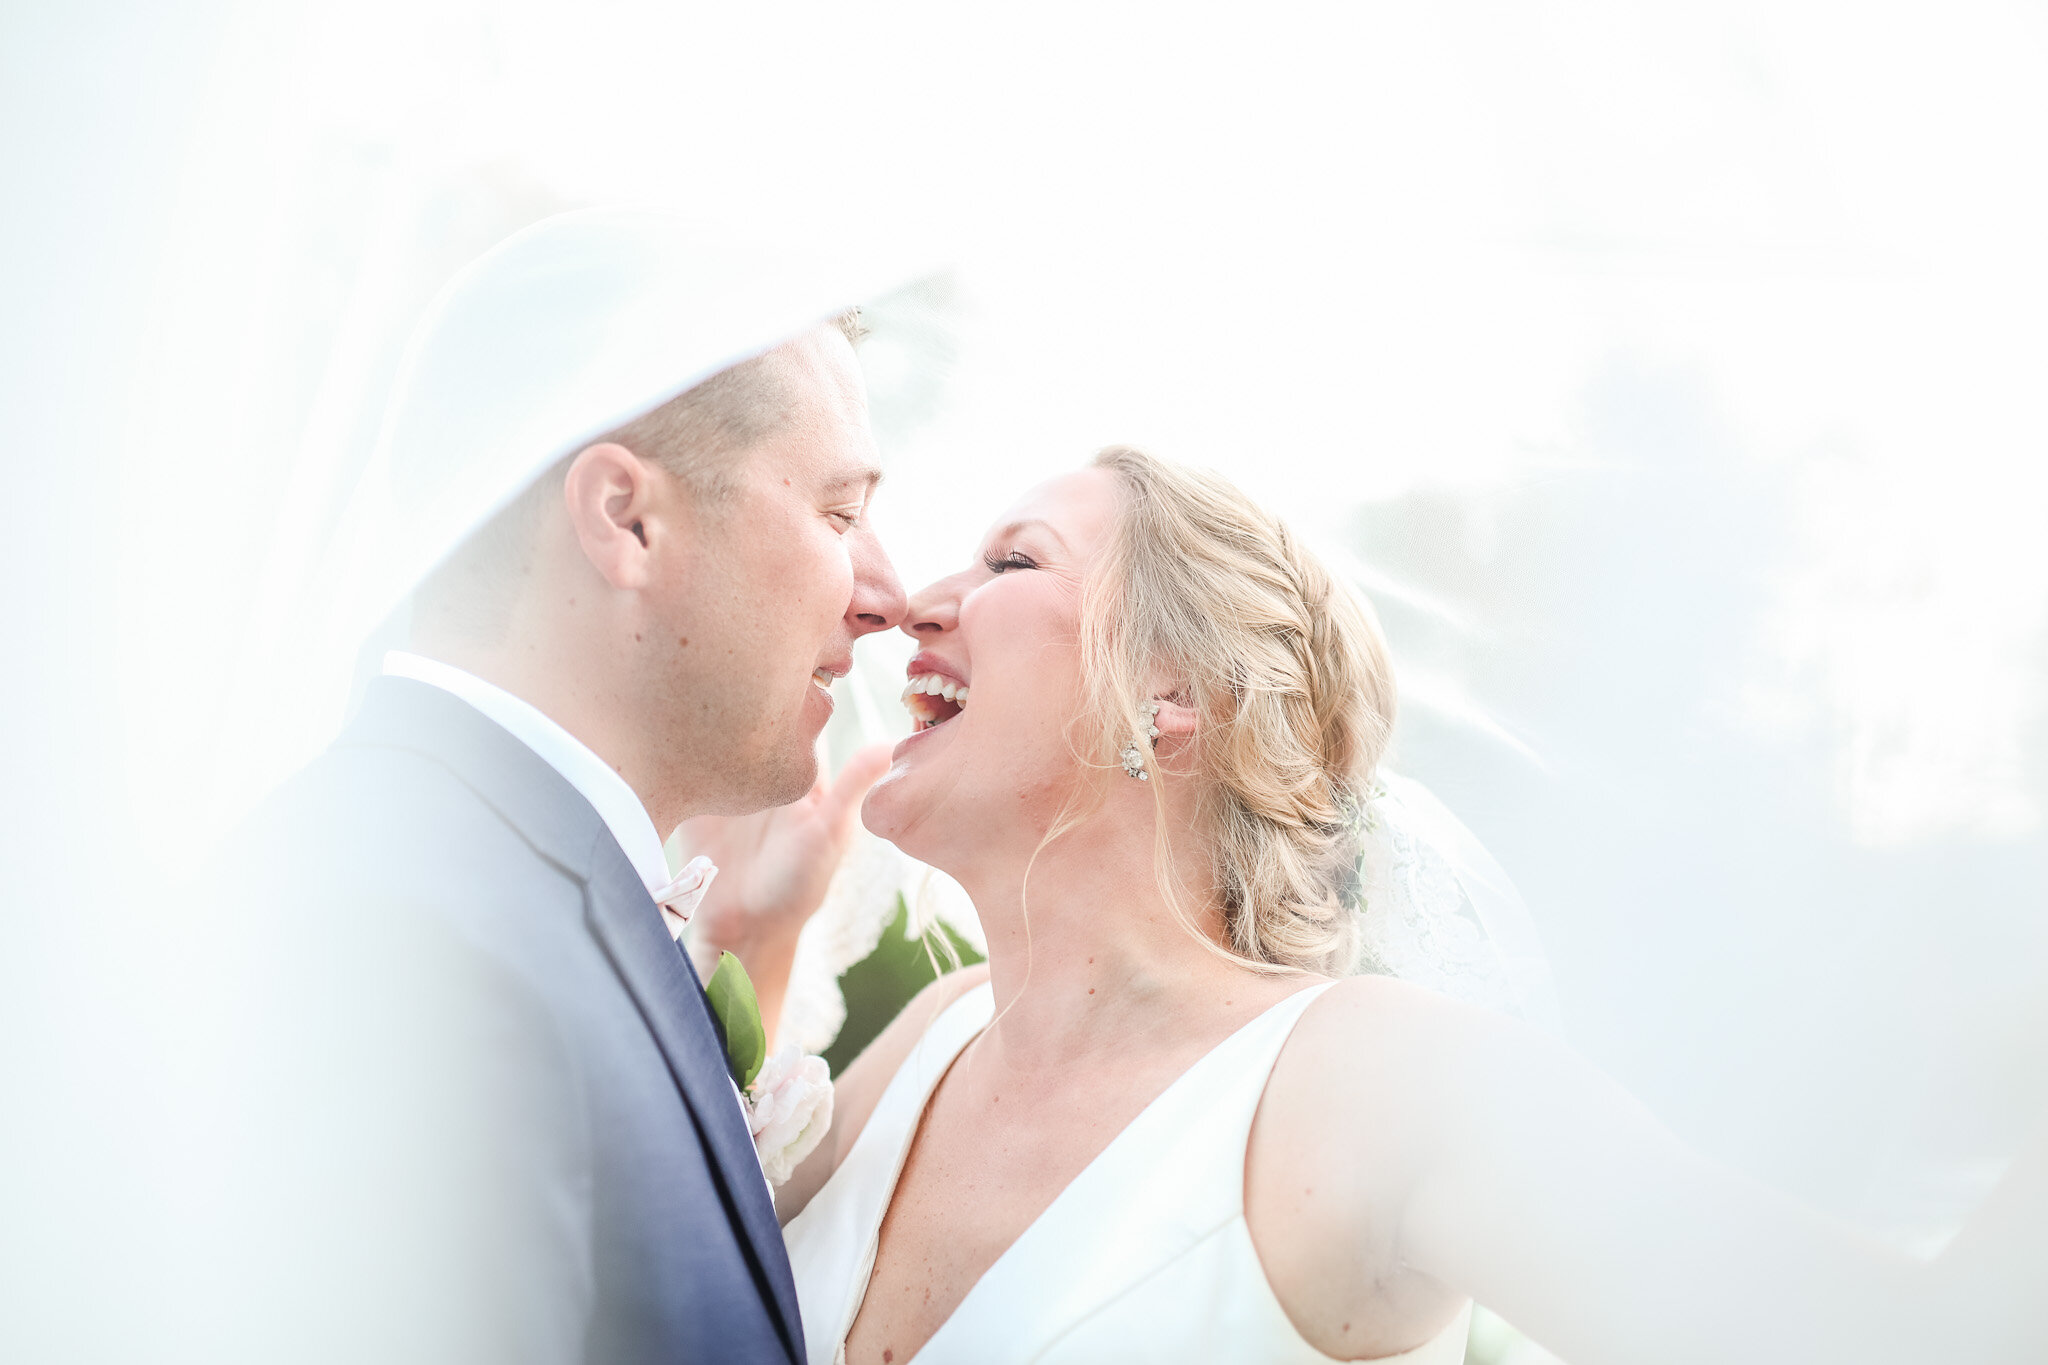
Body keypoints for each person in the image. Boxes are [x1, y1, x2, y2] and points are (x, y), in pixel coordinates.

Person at [700, 446, 2046, 1364]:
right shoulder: (935, 1034)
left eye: (1012, 565)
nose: (917, 600)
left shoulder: (1377, 1087)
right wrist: (758, 930)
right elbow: (654, 1259)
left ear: (1170, 699)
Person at [212, 210, 909, 1365]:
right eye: (838, 513)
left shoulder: (489, 884)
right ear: (625, 519)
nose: (883, 591)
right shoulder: (409, 946)